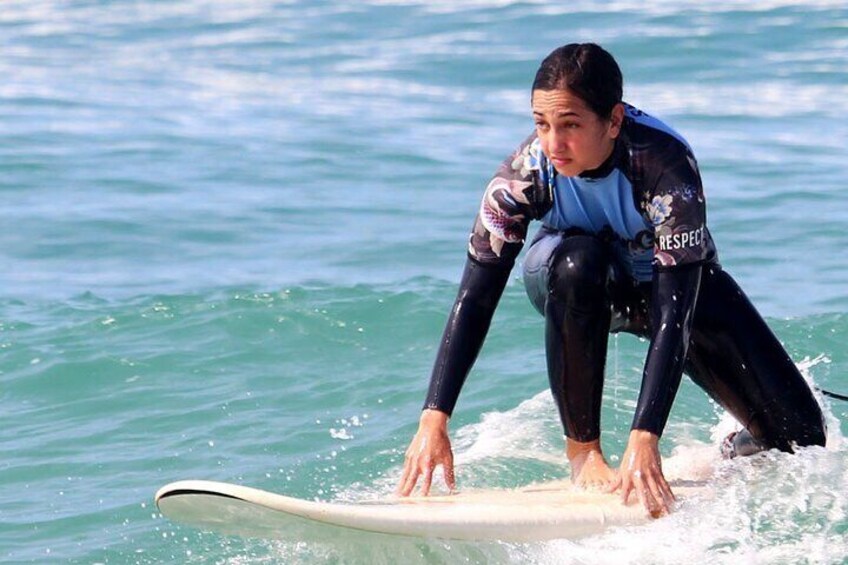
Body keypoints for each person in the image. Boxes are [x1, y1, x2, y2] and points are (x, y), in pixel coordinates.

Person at [396, 43, 826, 517]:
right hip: (571, 279)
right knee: (581, 261)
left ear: (614, 120)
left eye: (571, 125)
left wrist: (646, 437)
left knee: (803, 439)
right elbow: (475, 298)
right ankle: (584, 455)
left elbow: (675, 314)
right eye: (542, 124)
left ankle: (725, 459)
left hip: (667, 285)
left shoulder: (665, 166)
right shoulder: (524, 176)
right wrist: (434, 419)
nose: (553, 142)